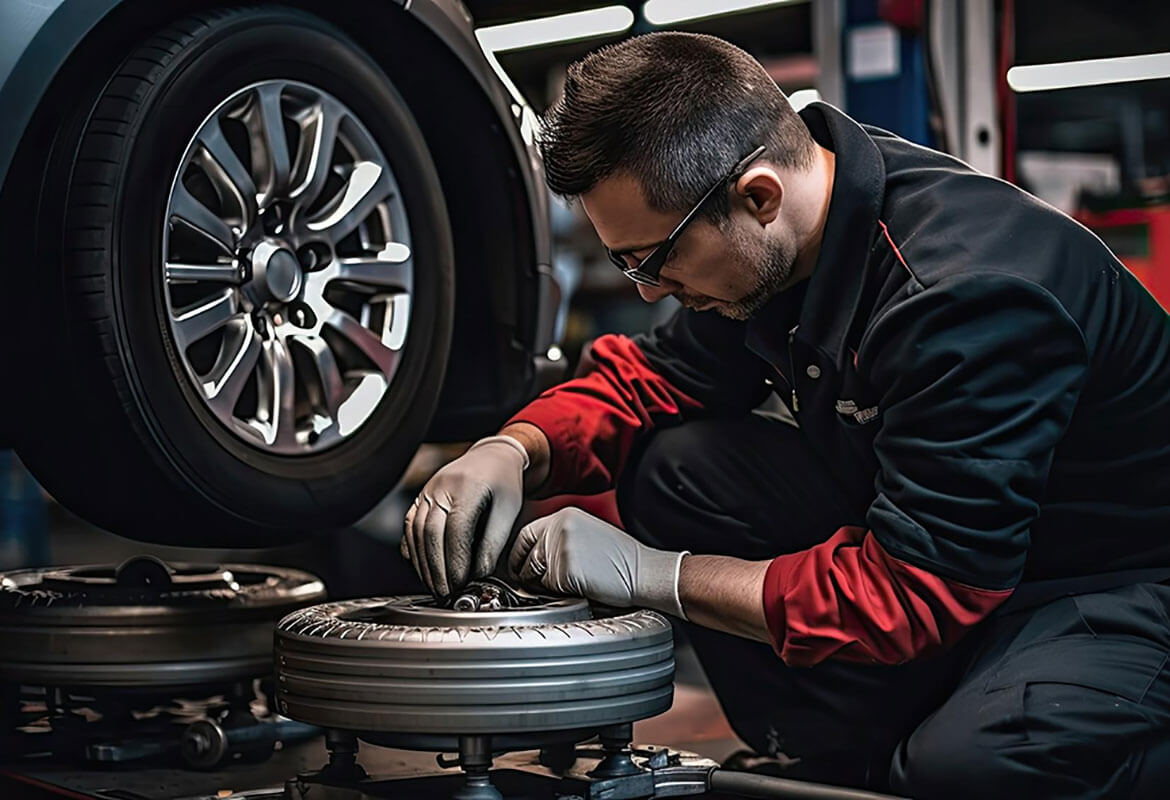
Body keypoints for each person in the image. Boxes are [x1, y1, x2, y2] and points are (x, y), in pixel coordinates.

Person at [401, 32, 1170, 798]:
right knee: (681, 469)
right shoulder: (783, 242)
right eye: (625, 263)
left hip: (1113, 585)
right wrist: (513, 448)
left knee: (971, 772)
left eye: (653, 258)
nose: (646, 290)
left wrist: (660, 578)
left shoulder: (964, 298)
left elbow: (919, 591)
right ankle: (839, 757)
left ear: (758, 195)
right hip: (962, 550)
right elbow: (654, 378)